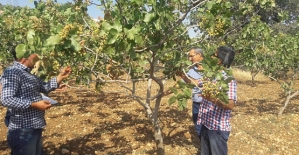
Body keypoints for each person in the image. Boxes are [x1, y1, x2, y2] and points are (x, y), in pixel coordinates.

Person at [1, 50, 71, 155]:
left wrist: (60, 76)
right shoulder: (13, 72)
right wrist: (34, 104)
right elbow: (6, 99)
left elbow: (45, 87)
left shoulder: (28, 74)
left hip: (34, 126)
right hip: (23, 131)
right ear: (24, 56)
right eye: (34, 53)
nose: (37, 56)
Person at [197, 46, 237, 155]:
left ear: (219, 60)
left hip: (217, 130)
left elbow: (230, 105)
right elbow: (197, 83)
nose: (210, 57)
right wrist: (183, 76)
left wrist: (210, 98)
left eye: (214, 55)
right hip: (206, 125)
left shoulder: (228, 80)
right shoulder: (211, 75)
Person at [163, 47, 204, 139]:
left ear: (199, 55)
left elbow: (196, 83)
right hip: (197, 103)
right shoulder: (191, 70)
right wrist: (165, 93)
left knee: (208, 129)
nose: (189, 59)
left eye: (191, 56)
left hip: (209, 104)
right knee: (198, 126)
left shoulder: (209, 69)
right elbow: (182, 83)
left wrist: (180, 73)